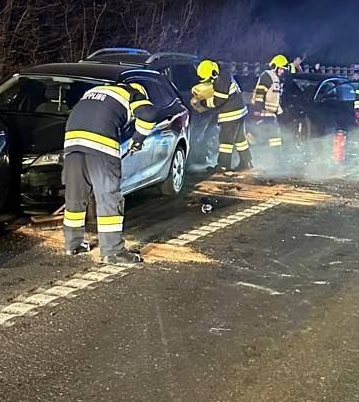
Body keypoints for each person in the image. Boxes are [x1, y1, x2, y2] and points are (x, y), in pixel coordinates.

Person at [62, 78, 169, 264]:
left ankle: (73, 244)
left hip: (72, 142)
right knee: (109, 198)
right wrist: (138, 139)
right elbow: (149, 114)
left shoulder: (97, 91)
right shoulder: (132, 93)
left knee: (75, 197)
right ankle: (113, 251)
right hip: (100, 146)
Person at [194, 59, 252, 171]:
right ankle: (246, 162)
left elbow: (218, 101)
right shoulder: (223, 74)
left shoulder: (221, 79)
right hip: (239, 111)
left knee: (226, 141)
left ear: (214, 73)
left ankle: (224, 166)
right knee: (240, 140)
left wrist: (203, 103)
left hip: (231, 114)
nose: (209, 81)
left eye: (210, 79)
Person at [251, 54, 288, 153]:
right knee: (273, 138)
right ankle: (276, 159)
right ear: (274, 67)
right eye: (280, 69)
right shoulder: (267, 76)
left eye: (283, 69)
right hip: (264, 113)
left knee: (271, 138)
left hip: (271, 114)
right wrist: (257, 112)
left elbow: (275, 98)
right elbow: (260, 94)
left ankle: (274, 159)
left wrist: (280, 113)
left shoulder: (277, 79)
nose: (282, 71)